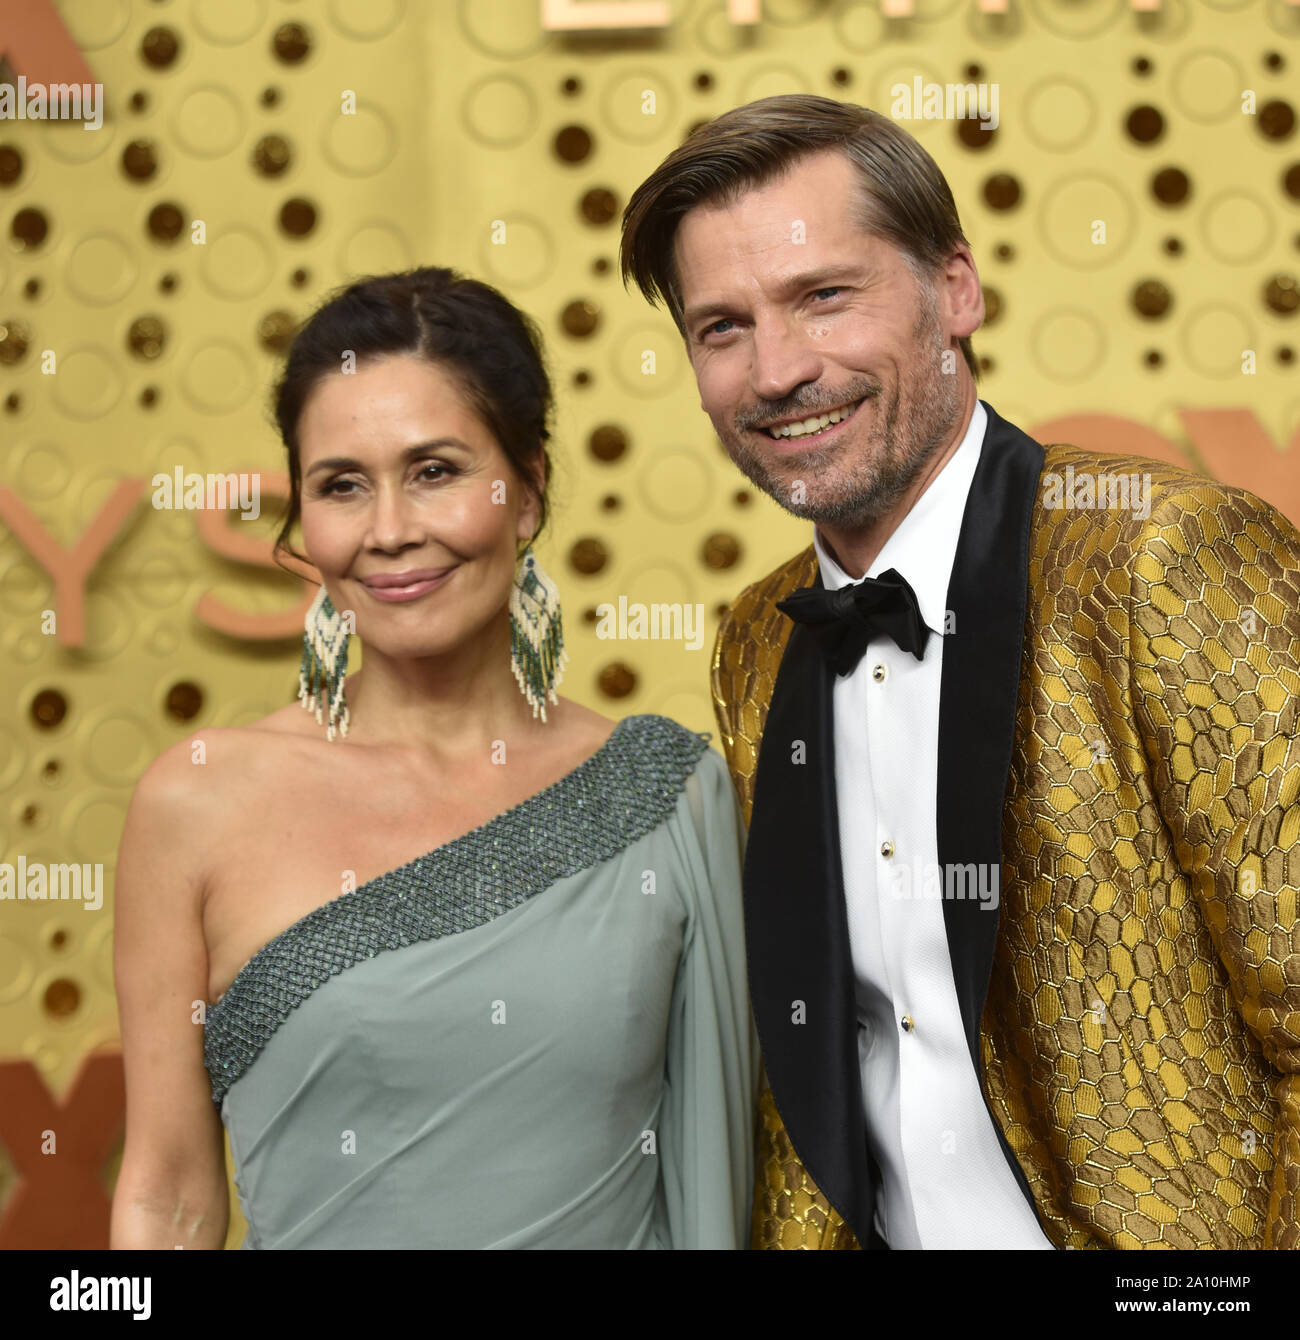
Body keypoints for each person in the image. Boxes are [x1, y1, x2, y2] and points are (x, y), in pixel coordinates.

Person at [619, 94, 1300, 1250]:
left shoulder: (1158, 555)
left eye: (823, 296)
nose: (778, 369)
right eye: (721, 326)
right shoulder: (758, 635)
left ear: (956, 291)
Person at [110, 267, 756, 1249]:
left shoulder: (664, 794)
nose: (390, 531)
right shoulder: (196, 801)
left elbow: (724, 1179)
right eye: (341, 486)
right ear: (304, 521)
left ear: (527, 490)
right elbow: (167, 1191)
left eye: (435, 470)